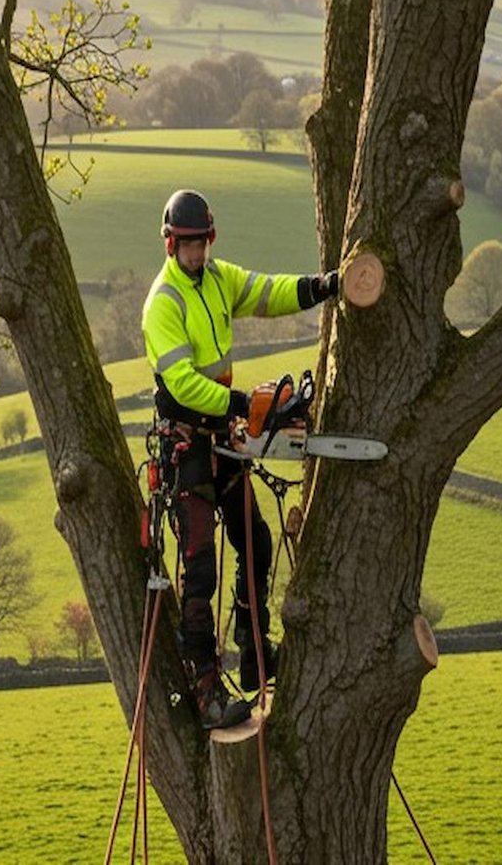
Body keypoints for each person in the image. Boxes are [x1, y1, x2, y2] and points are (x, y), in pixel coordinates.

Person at [141, 188, 338, 728]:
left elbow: (266, 292)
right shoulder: (164, 302)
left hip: (221, 437)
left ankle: (253, 650)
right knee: (199, 567)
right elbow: (180, 385)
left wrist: (319, 288)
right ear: (171, 245)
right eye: (188, 247)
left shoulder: (218, 279)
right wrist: (240, 403)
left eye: (202, 244)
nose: (197, 255)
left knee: (255, 538)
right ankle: (204, 689)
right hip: (187, 445)